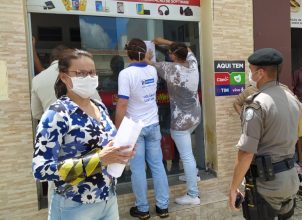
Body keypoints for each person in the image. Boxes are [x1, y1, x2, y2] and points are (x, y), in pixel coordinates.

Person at [32, 49, 135, 220]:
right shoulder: (56, 114)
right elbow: (40, 169)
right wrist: (99, 160)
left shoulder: (99, 107)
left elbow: (107, 148)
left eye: (92, 72)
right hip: (74, 204)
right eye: (81, 73)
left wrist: (122, 152)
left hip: (108, 199)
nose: (89, 77)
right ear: (64, 78)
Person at [229, 48, 302, 219]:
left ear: (260, 73)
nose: (250, 73)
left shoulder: (257, 104)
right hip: (290, 178)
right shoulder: (291, 98)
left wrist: (234, 188)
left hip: (267, 184)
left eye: (251, 70)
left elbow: (246, 153)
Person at [31, 45, 102, 206]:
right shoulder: (81, 79)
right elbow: (97, 105)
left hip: (55, 143)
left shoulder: (37, 79)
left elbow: (35, 113)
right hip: (83, 143)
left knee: (55, 184)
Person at [115, 38, 169, 219]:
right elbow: (145, 63)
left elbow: (122, 103)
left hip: (134, 128)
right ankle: (163, 207)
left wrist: (117, 130)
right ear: (145, 52)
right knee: (158, 167)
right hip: (153, 124)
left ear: (127, 53)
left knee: (138, 169)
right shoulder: (152, 70)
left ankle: (143, 209)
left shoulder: (125, 74)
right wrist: (146, 56)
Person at [148, 37, 201, 205]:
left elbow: (146, 62)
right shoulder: (192, 64)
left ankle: (193, 195)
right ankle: (192, 174)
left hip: (180, 123)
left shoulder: (170, 68)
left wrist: (152, 48)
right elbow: (187, 50)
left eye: (170, 53)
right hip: (195, 117)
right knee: (188, 157)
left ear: (172, 56)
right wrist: (166, 42)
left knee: (187, 156)